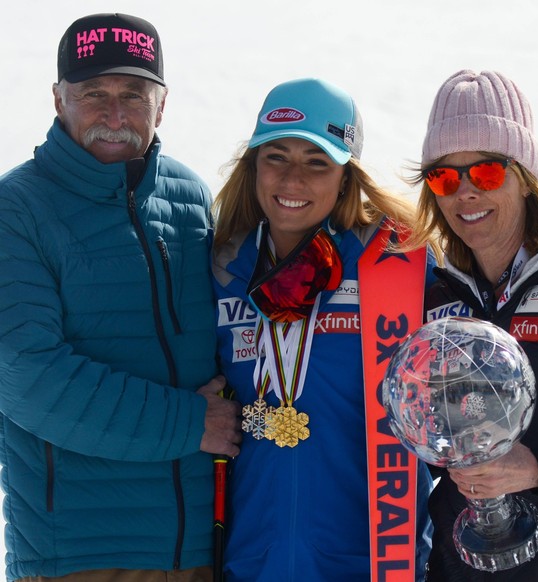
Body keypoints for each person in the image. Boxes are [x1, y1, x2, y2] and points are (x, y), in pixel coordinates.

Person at [0, 13, 241, 582]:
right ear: (59, 100)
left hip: (200, 548)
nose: (114, 115)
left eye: (134, 94)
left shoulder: (189, 196)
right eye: (93, 95)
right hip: (83, 552)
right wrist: (190, 424)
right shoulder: (17, 209)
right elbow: (27, 374)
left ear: (163, 104)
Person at [211, 77, 436, 582]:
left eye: (317, 163)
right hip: (252, 561)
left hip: (370, 561)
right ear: (253, 168)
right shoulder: (223, 272)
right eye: (276, 157)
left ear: (345, 177)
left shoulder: (398, 264)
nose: (293, 181)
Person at [407, 69, 538, 581]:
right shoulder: (434, 288)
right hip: (460, 558)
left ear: (525, 177)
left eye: (485, 172)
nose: (465, 192)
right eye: (444, 177)